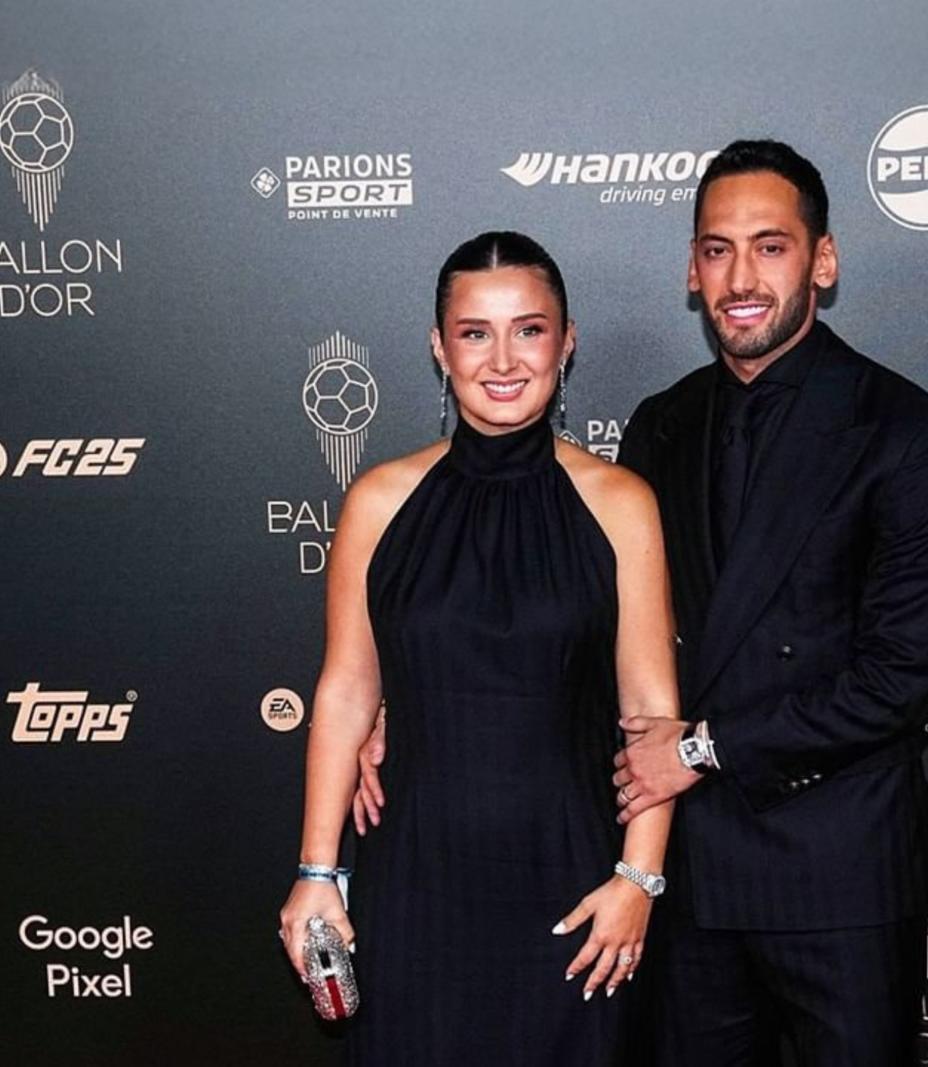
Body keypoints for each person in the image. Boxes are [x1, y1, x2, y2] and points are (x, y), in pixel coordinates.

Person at [279, 231, 679, 1065]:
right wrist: (319, 871)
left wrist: (638, 879)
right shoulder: (380, 500)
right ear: (439, 347)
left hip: (574, 891)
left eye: (530, 329)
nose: (504, 358)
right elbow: (348, 692)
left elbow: (651, 713)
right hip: (416, 889)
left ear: (567, 343)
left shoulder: (619, 503)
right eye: (474, 332)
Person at [610, 140, 928, 1065]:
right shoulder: (660, 424)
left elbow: (898, 679)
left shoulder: (906, 431)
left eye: (770, 246)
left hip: (837, 873)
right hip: (687, 877)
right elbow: (604, 630)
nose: (741, 276)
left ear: (824, 259)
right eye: (717, 249)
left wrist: (700, 746)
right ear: (692, 270)